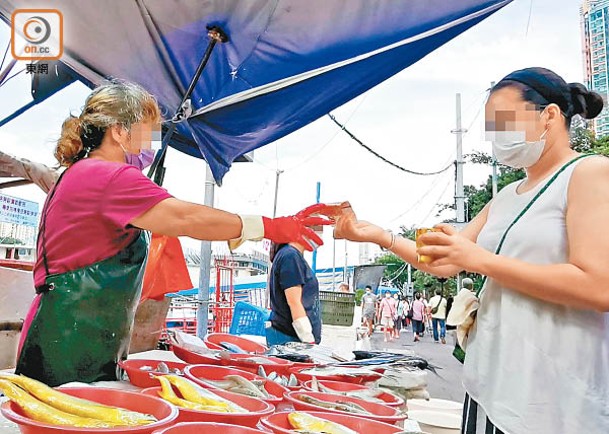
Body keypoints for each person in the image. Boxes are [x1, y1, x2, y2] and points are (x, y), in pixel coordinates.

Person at [335, 67, 609, 433]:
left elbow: (598, 285)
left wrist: (483, 261)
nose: (498, 136)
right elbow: (445, 261)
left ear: (549, 115)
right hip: (490, 384)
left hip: (554, 397)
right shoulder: (506, 196)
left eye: (505, 121)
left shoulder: (589, 172)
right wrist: (378, 236)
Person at [15, 81, 334, 387]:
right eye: (146, 134)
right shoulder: (108, 175)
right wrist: (268, 226)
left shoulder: (81, 173)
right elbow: (188, 217)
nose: (149, 146)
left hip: (70, 334)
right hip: (68, 345)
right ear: (118, 131)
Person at [266, 238, 323, 346]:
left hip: (291, 338)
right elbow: (294, 302)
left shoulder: (290, 255)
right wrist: (308, 340)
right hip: (292, 340)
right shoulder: (290, 256)